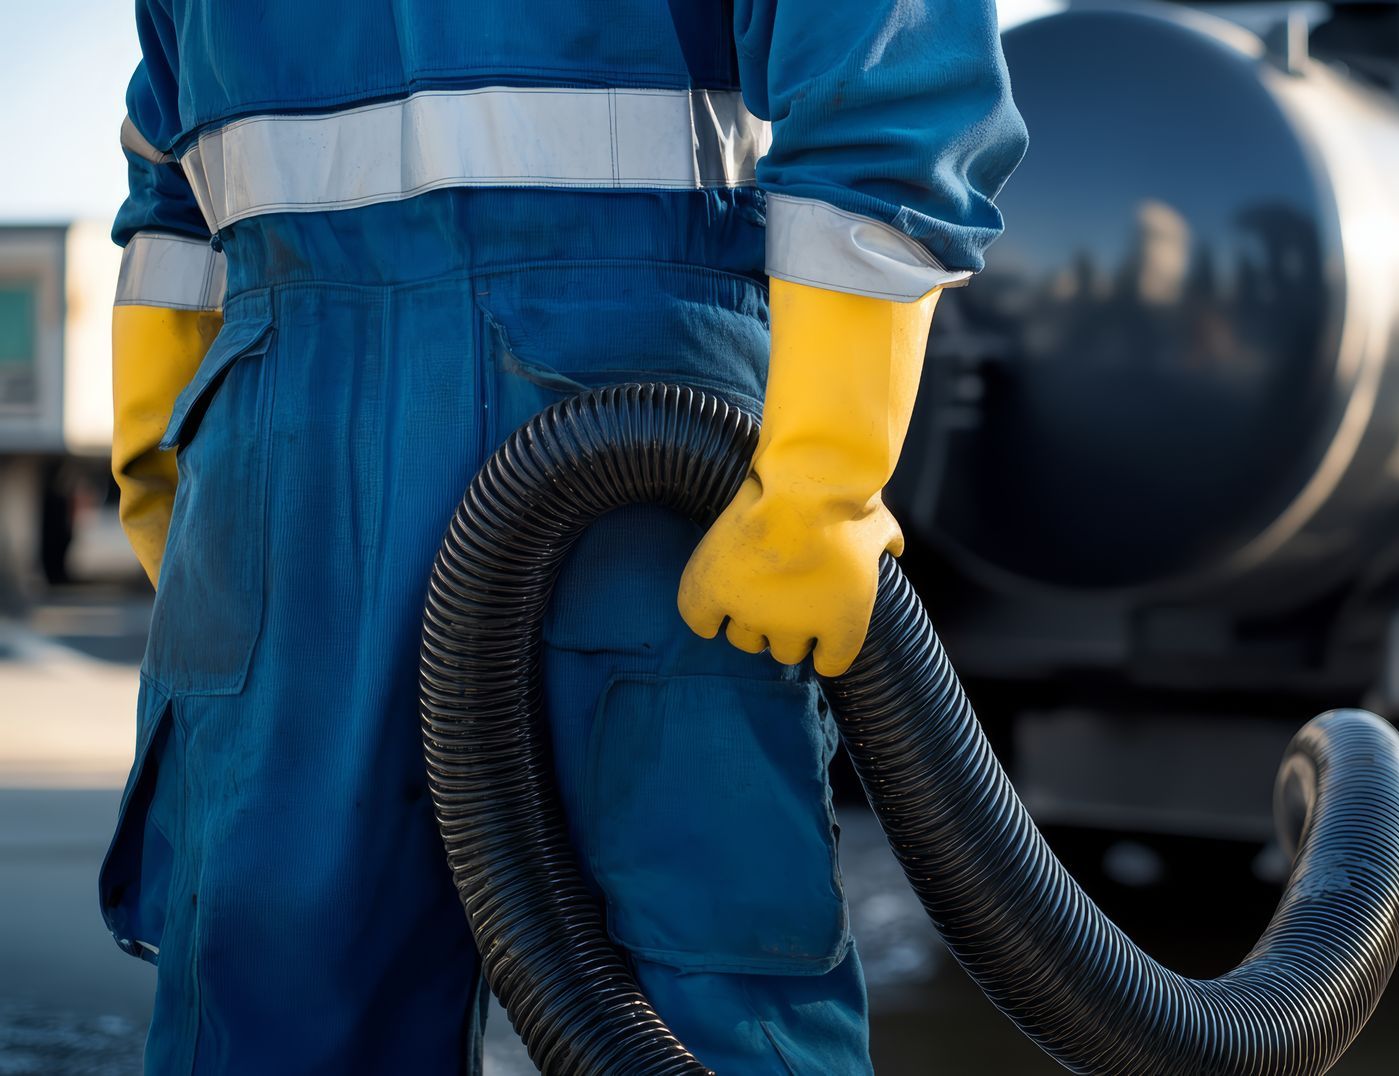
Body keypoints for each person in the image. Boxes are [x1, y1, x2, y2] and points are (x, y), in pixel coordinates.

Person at [101, 4, 1026, 1072]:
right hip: (630, 400)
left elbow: (167, 192)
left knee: (285, 981)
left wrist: (163, 457)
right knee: (706, 982)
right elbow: (887, 79)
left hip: (300, 438)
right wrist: (823, 475)